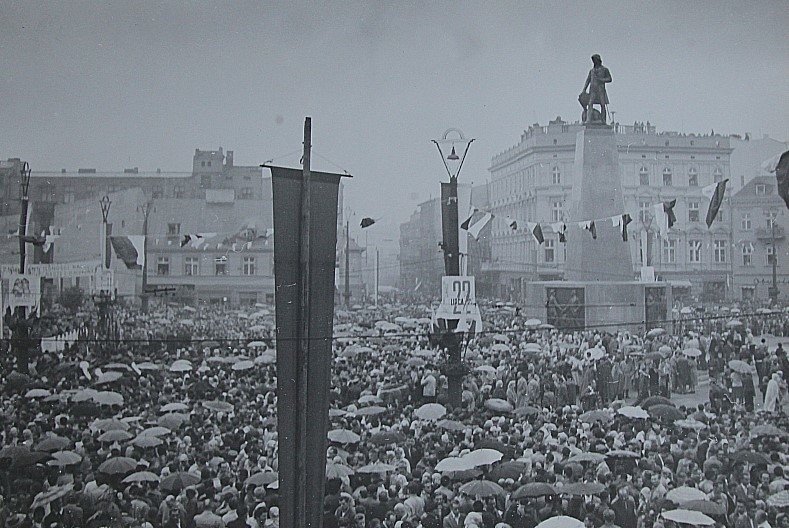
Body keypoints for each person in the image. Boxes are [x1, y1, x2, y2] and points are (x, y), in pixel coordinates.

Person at [580, 54, 612, 124]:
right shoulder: (592, 71)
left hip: (601, 90)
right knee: (590, 103)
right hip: (592, 90)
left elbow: (609, 79)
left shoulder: (605, 69)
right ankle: (588, 120)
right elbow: (588, 80)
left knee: (602, 105)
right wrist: (584, 89)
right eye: (593, 61)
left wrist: (601, 79)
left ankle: (603, 120)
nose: (594, 62)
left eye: (595, 60)